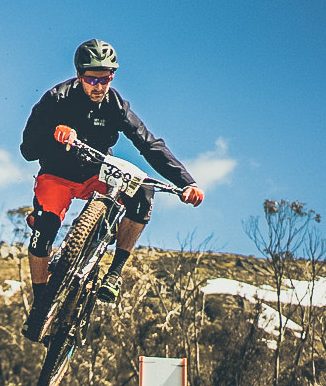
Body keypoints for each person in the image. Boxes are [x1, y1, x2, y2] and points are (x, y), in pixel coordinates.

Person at [20, 40, 204, 342]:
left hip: (97, 175)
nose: (98, 86)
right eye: (92, 79)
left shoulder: (116, 105)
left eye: (104, 79)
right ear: (80, 76)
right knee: (43, 234)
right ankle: (40, 306)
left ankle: (114, 270)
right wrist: (55, 135)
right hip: (57, 175)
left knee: (143, 191)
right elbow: (28, 150)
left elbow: (148, 144)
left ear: (112, 78)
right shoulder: (56, 99)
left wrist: (188, 183)